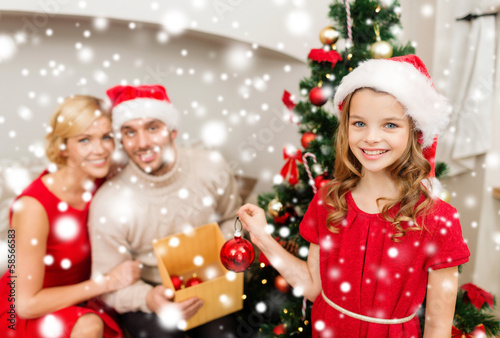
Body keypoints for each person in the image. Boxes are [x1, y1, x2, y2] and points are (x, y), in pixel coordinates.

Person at [237, 55, 471, 337]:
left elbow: (438, 327)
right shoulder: (328, 200)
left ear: (414, 133)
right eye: (359, 123)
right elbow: (313, 287)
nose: (371, 137)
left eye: (390, 125)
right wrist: (262, 238)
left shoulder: (438, 220)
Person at [88, 84, 241, 337]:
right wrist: (148, 298)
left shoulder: (211, 167)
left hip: (208, 280)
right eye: (130, 132)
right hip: (148, 294)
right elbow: (106, 283)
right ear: (121, 140)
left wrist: (222, 254)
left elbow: (232, 217)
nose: (143, 143)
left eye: (152, 128)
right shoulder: (109, 202)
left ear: (172, 130)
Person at [0, 95, 142, 338]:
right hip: (26, 311)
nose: (100, 150)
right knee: (89, 325)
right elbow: (25, 304)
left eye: (106, 137)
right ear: (63, 146)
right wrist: (107, 283)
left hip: (81, 301)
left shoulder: (104, 181)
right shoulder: (33, 207)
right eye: (84, 140)